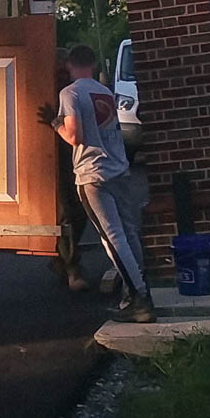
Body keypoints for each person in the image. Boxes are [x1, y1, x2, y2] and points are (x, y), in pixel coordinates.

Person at [41, 43, 154, 323]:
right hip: (119, 170)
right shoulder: (105, 92)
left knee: (111, 237)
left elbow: (75, 136)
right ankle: (134, 291)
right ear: (93, 65)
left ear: (69, 65)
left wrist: (54, 123)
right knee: (128, 233)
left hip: (93, 174)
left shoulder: (70, 93)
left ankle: (140, 299)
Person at [46, 49, 89, 291]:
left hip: (75, 157)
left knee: (80, 212)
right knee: (65, 214)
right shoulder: (49, 86)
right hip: (53, 160)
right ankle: (72, 266)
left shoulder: (72, 91)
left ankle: (63, 261)